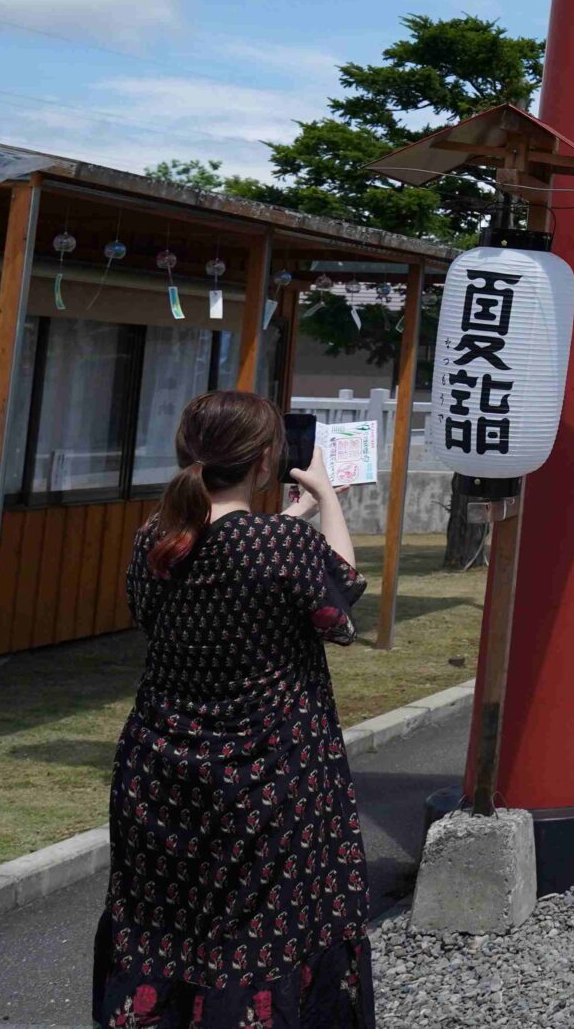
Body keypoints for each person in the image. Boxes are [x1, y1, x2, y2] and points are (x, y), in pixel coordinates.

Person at [96, 391, 374, 1027]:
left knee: (165, 922)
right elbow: (339, 604)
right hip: (268, 776)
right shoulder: (276, 544)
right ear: (266, 460)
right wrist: (327, 499)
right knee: (261, 932)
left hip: (159, 769)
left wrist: (290, 522)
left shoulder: (155, 537)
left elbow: (166, 604)